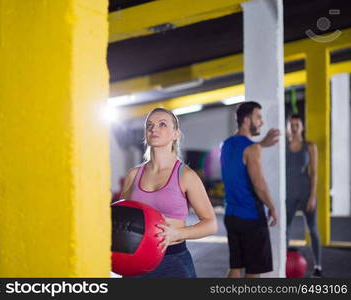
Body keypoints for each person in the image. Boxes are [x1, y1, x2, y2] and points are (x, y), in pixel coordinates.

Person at [120, 107, 218, 278]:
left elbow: (210, 224)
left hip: (172, 261)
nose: (153, 128)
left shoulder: (186, 175)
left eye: (162, 124)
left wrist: (178, 233)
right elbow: (121, 219)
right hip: (134, 261)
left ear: (176, 134)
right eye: (149, 125)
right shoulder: (133, 175)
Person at [220, 101, 279, 278]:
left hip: (231, 215)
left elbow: (243, 153)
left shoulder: (226, 145)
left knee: (235, 267)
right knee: (253, 271)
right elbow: (258, 183)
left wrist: (261, 144)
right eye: (258, 117)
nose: (261, 122)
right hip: (251, 217)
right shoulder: (252, 148)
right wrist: (272, 207)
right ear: (246, 120)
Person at [286, 114, 322, 277]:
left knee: (313, 230)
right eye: (291, 125)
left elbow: (314, 173)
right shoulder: (283, 146)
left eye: (297, 125)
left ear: (302, 127)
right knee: (284, 230)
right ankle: (284, 263)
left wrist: (312, 196)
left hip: (306, 192)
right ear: (288, 127)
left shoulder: (310, 147)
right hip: (289, 194)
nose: (294, 128)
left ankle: (318, 266)